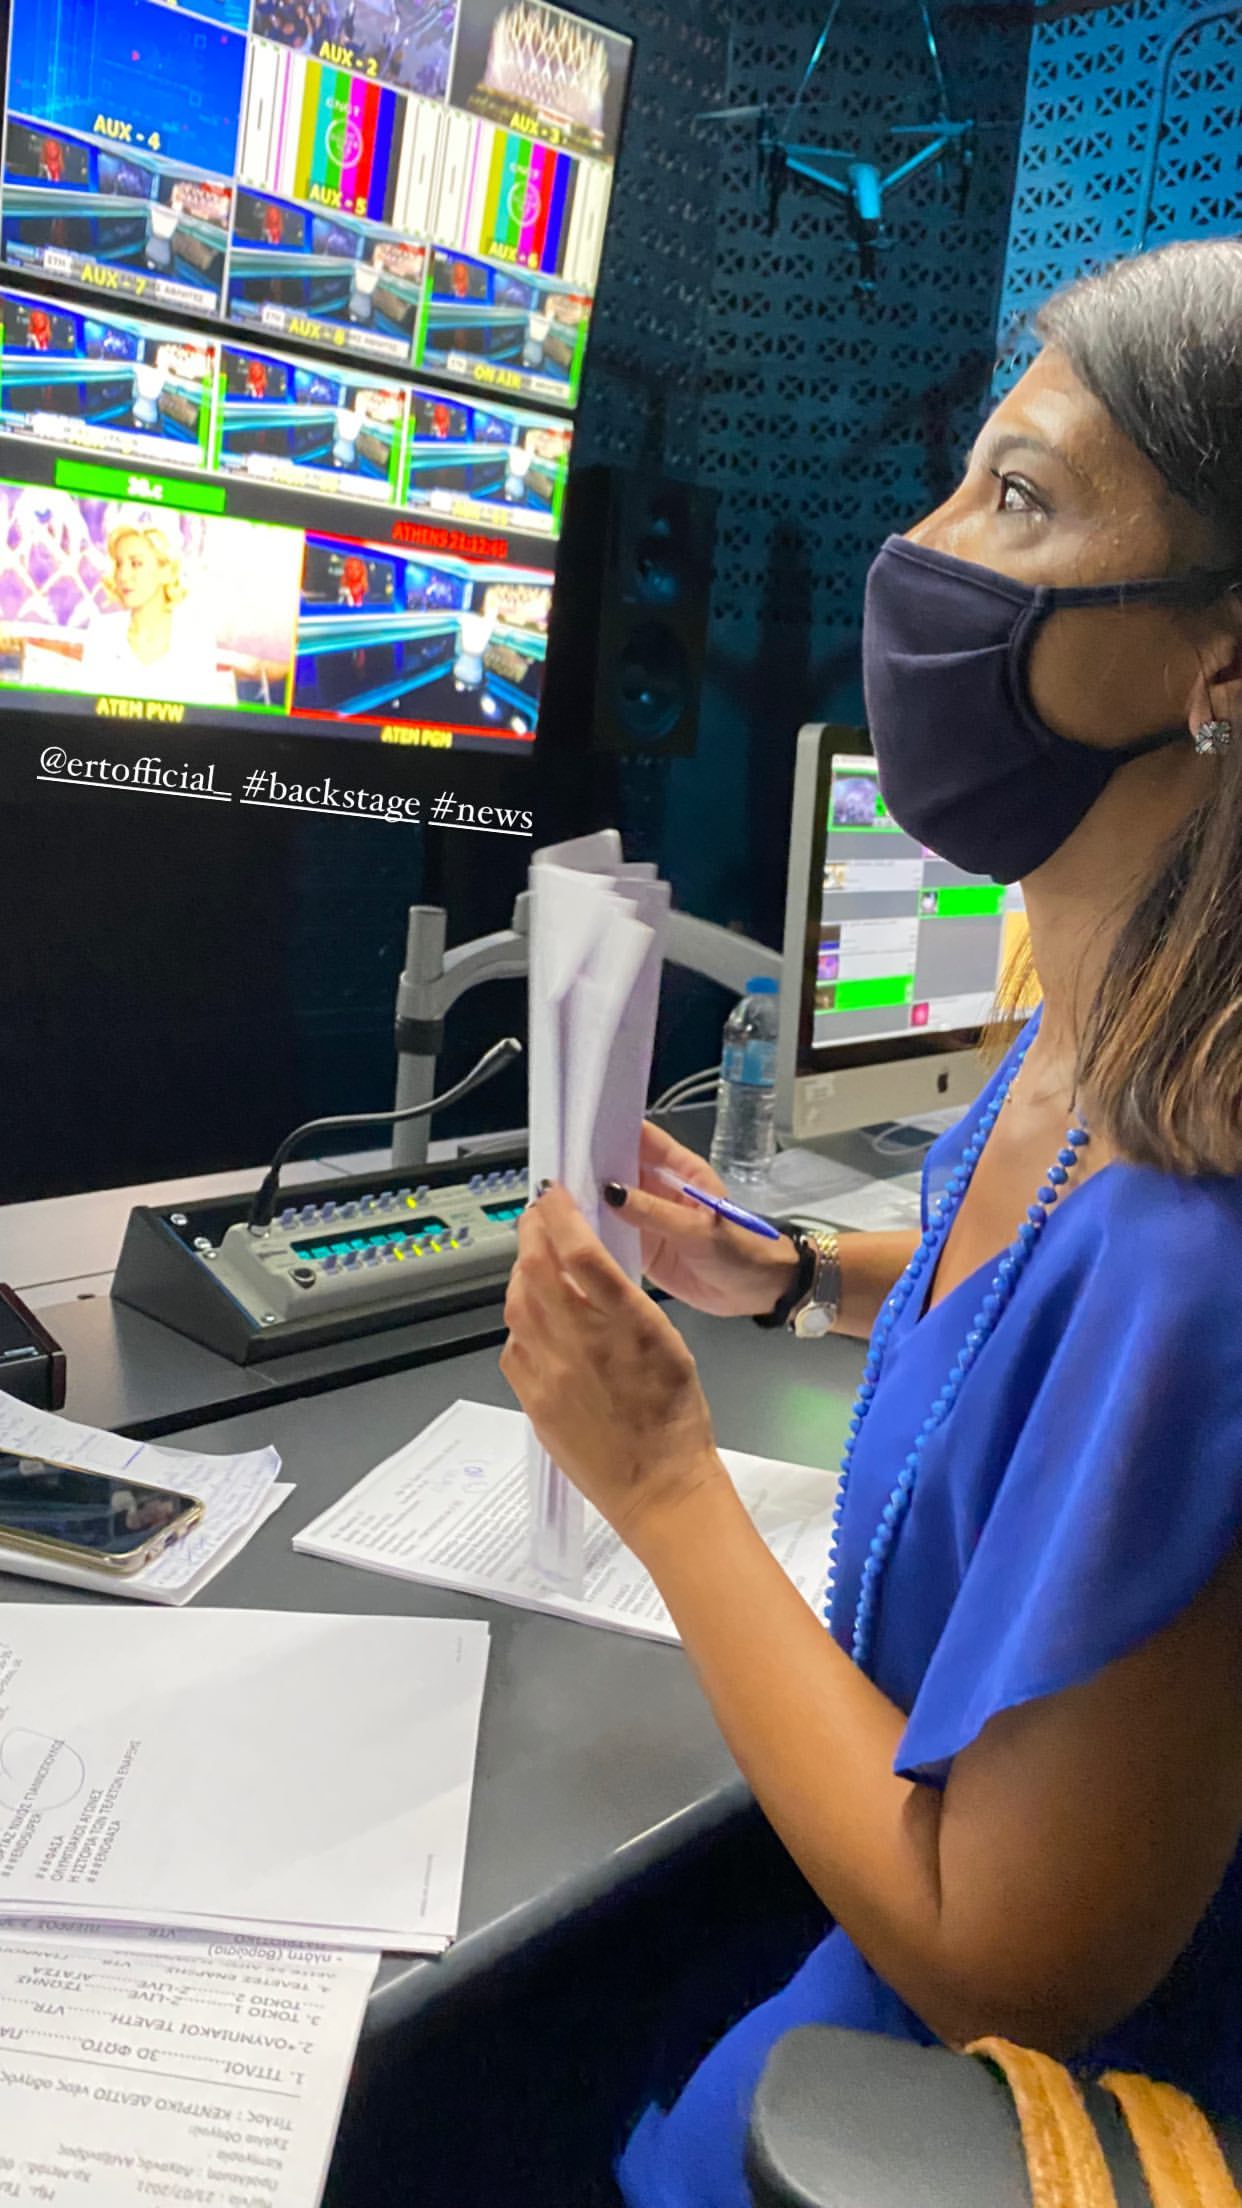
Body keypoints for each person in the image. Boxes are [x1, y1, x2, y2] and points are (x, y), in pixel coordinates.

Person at [500, 237, 1242, 2207]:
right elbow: (1038, 1295)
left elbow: (1005, 1960)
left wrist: (662, 1477)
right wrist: (797, 1275)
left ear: (1220, 664)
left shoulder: (1204, 1251)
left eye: (1020, 497)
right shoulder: (1095, 1053)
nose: (919, 551)